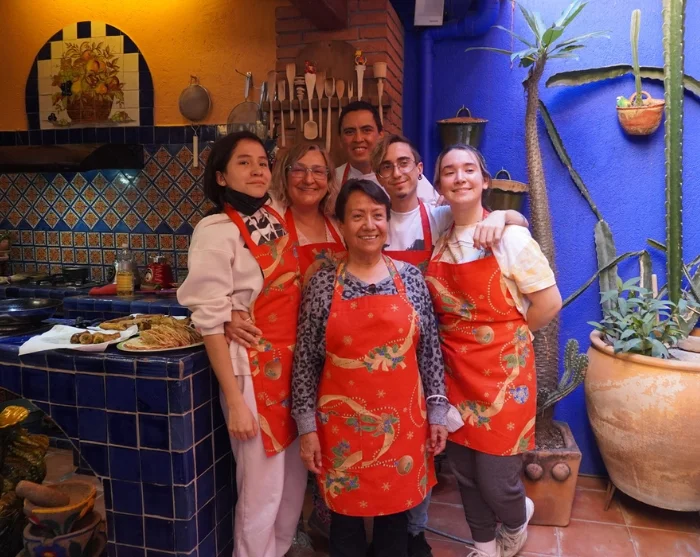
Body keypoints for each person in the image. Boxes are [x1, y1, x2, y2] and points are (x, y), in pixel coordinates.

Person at [371, 134, 530, 557]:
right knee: (419, 450)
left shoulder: (437, 217)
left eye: (404, 163)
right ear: (377, 176)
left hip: (446, 356)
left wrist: (508, 216)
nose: (397, 172)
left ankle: (417, 530)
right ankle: (412, 533)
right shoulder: (371, 217)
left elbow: (492, 218)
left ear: (420, 171)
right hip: (396, 355)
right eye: (386, 166)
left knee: (455, 458)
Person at [292, 179, 449, 557]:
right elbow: (305, 362)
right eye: (357, 216)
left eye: (377, 215)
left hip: (402, 424)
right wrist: (306, 427)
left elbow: (430, 352)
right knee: (344, 527)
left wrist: (438, 411)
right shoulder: (323, 284)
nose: (369, 225)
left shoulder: (410, 278)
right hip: (342, 427)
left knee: (395, 523)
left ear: (387, 222)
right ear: (342, 225)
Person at [424, 144, 562, 557]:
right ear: (439, 186)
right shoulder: (440, 239)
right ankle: (484, 546)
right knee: (465, 473)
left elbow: (549, 303)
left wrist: (509, 339)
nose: (460, 177)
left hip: (504, 376)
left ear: (484, 181)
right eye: (450, 171)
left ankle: (517, 518)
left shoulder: (510, 238)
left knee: (497, 479)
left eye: (469, 169)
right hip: (456, 372)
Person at [177, 131, 307, 557]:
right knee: (260, 491)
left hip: (290, 367)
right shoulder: (214, 230)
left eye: (262, 163)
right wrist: (234, 401)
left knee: (291, 482)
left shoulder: (272, 214)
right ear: (221, 176)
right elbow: (210, 321)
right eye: (244, 162)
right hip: (251, 372)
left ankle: (279, 550)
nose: (257, 170)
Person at [335, 101, 438, 205]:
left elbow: (436, 208)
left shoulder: (405, 175)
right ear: (340, 140)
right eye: (349, 132)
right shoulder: (333, 180)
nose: (358, 139)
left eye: (366, 130)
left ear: (381, 135)